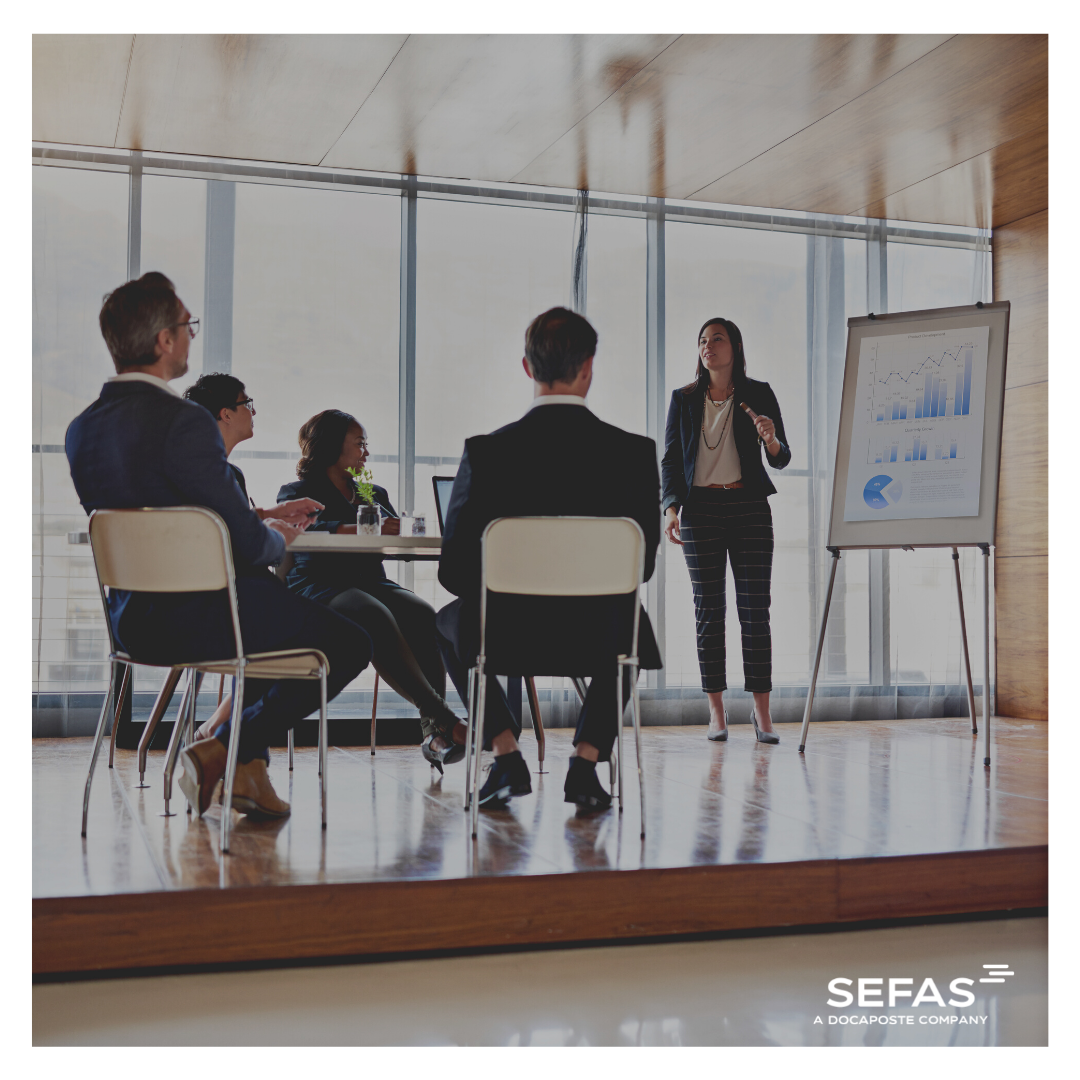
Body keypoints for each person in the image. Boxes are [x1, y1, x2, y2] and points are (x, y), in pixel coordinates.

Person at [66, 272, 372, 819]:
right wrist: (276, 538)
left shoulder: (81, 429)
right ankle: (224, 746)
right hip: (202, 617)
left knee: (268, 607)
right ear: (163, 340)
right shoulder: (185, 422)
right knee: (350, 643)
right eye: (186, 326)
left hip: (130, 621)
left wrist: (255, 535)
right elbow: (235, 533)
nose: (190, 336)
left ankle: (245, 766)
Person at [436, 307, 662, 812]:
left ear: (526, 368)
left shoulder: (486, 453)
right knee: (632, 627)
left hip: (505, 634)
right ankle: (585, 762)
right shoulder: (633, 455)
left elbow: (451, 572)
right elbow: (639, 570)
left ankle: (505, 752)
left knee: (444, 624)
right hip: (599, 634)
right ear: (588, 368)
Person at [277, 410, 467, 772]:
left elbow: (387, 535)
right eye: (359, 444)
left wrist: (391, 526)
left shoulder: (370, 491)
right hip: (319, 584)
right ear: (333, 447)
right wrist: (355, 527)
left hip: (370, 581)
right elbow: (299, 531)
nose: (366, 452)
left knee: (424, 615)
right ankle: (444, 718)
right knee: (371, 614)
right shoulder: (298, 492)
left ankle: (433, 735)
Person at [661, 317, 791, 744]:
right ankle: (716, 712)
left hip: (749, 506)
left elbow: (781, 457)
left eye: (716, 338)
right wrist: (670, 507)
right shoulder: (683, 400)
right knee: (708, 610)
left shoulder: (758, 394)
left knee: (756, 611)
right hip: (700, 511)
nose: (707, 345)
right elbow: (669, 460)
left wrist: (770, 439)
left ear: (734, 345)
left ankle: (762, 713)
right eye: (701, 340)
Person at [181, 372, 324, 743]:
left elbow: (220, 525)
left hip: (187, 606)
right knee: (302, 629)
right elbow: (231, 540)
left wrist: (268, 515)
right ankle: (224, 735)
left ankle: (219, 730)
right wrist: (274, 531)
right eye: (247, 404)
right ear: (226, 413)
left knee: (281, 619)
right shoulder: (218, 473)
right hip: (220, 606)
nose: (253, 412)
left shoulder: (212, 472)